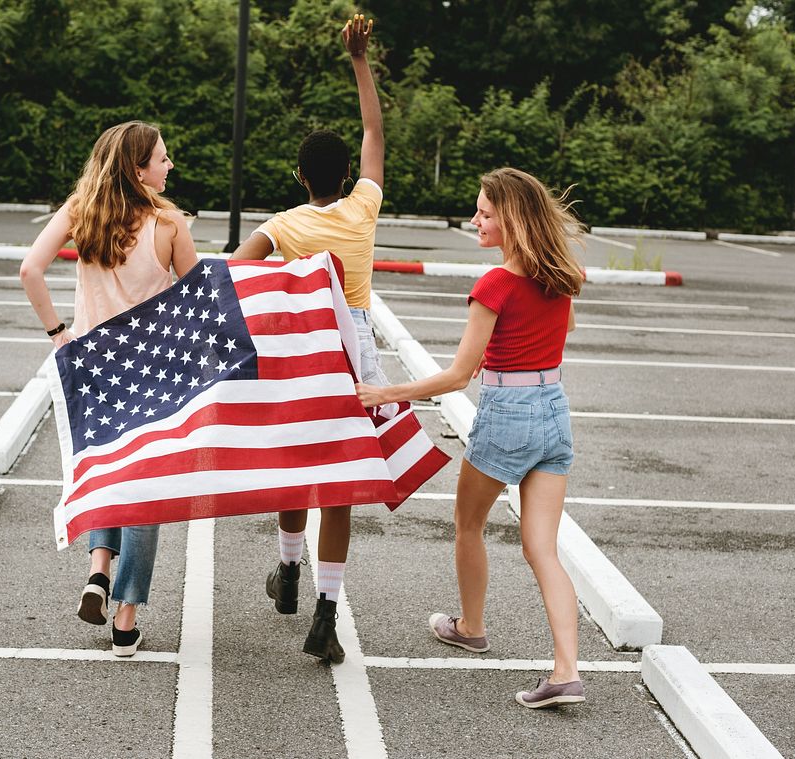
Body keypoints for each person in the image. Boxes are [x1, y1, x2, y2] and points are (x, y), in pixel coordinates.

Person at [356, 167, 587, 708]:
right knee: (542, 549)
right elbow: (564, 332)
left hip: (508, 413)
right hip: (554, 410)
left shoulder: (494, 285)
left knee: (468, 525)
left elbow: (459, 376)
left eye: (484, 212)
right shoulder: (563, 273)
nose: (474, 220)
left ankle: (472, 626)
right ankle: (567, 670)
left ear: (511, 218)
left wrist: (385, 393)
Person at [231, 13, 384, 664]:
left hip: (304, 354)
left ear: (300, 178)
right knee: (341, 481)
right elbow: (375, 128)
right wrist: (357, 60)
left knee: (297, 464)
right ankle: (325, 608)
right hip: (356, 353)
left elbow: (236, 266)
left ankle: (287, 571)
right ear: (348, 175)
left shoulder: (286, 224)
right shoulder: (363, 209)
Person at [20, 121, 197, 656]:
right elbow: (194, 305)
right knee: (144, 494)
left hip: (94, 365)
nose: (170, 167)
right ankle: (125, 619)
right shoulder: (169, 223)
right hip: (151, 370)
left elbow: (30, 269)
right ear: (139, 168)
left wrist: (58, 334)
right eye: (163, 160)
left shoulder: (83, 209)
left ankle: (99, 570)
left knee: (106, 474)